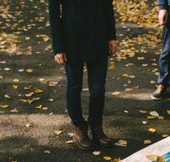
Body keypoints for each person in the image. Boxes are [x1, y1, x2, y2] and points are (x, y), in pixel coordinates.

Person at [48, 0, 118, 151]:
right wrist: (58, 47)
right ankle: (79, 127)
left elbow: (107, 6)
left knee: (98, 88)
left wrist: (112, 36)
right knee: (74, 86)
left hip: (98, 37)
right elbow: (54, 14)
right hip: (72, 40)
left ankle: (96, 126)